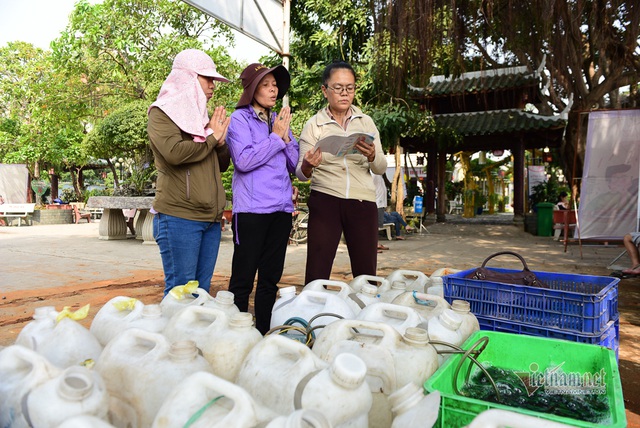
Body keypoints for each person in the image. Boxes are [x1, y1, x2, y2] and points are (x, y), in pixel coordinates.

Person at [147, 49, 231, 296]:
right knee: (180, 294)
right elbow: (174, 152)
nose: (213, 86)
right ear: (189, 78)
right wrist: (212, 137)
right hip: (179, 217)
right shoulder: (161, 113)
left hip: (210, 219)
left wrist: (222, 143)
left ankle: (192, 337)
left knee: (201, 294)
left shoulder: (202, 118)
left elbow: (222, 164)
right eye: (208, 79)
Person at [296, 61, 387, 284]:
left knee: (366, 273)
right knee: (317, 270)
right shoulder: (314, 125)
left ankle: (365, 315)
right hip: (325, 199)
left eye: (350, 87)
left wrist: (373, 154)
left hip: (362, 201)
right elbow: (300, 172)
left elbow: (381, 167)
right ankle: (314, 315)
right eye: (338, 88)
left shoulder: (366, 123)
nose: (345, 93)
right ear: (325, 90)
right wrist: (308, 164)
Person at [226, 63, 298, 334]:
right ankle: (237, 335)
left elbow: (293, 163)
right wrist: (277, 138)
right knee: (243, 279)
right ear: (252, 89)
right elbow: (243, 161)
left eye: (275, 85)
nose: (273, 89)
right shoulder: (239, 120)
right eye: (266, 85)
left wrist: (287, 138)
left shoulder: (278, 118)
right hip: (252, 212)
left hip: (280, 209)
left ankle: (264, 333)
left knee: (270, 279)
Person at [373, 173, 390, 252]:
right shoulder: (374, 174)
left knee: (378, 225)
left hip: (381, 203)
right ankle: (373, 245)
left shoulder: (379, 175)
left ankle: (376, 243)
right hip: (377, 203)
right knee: (374, 225)